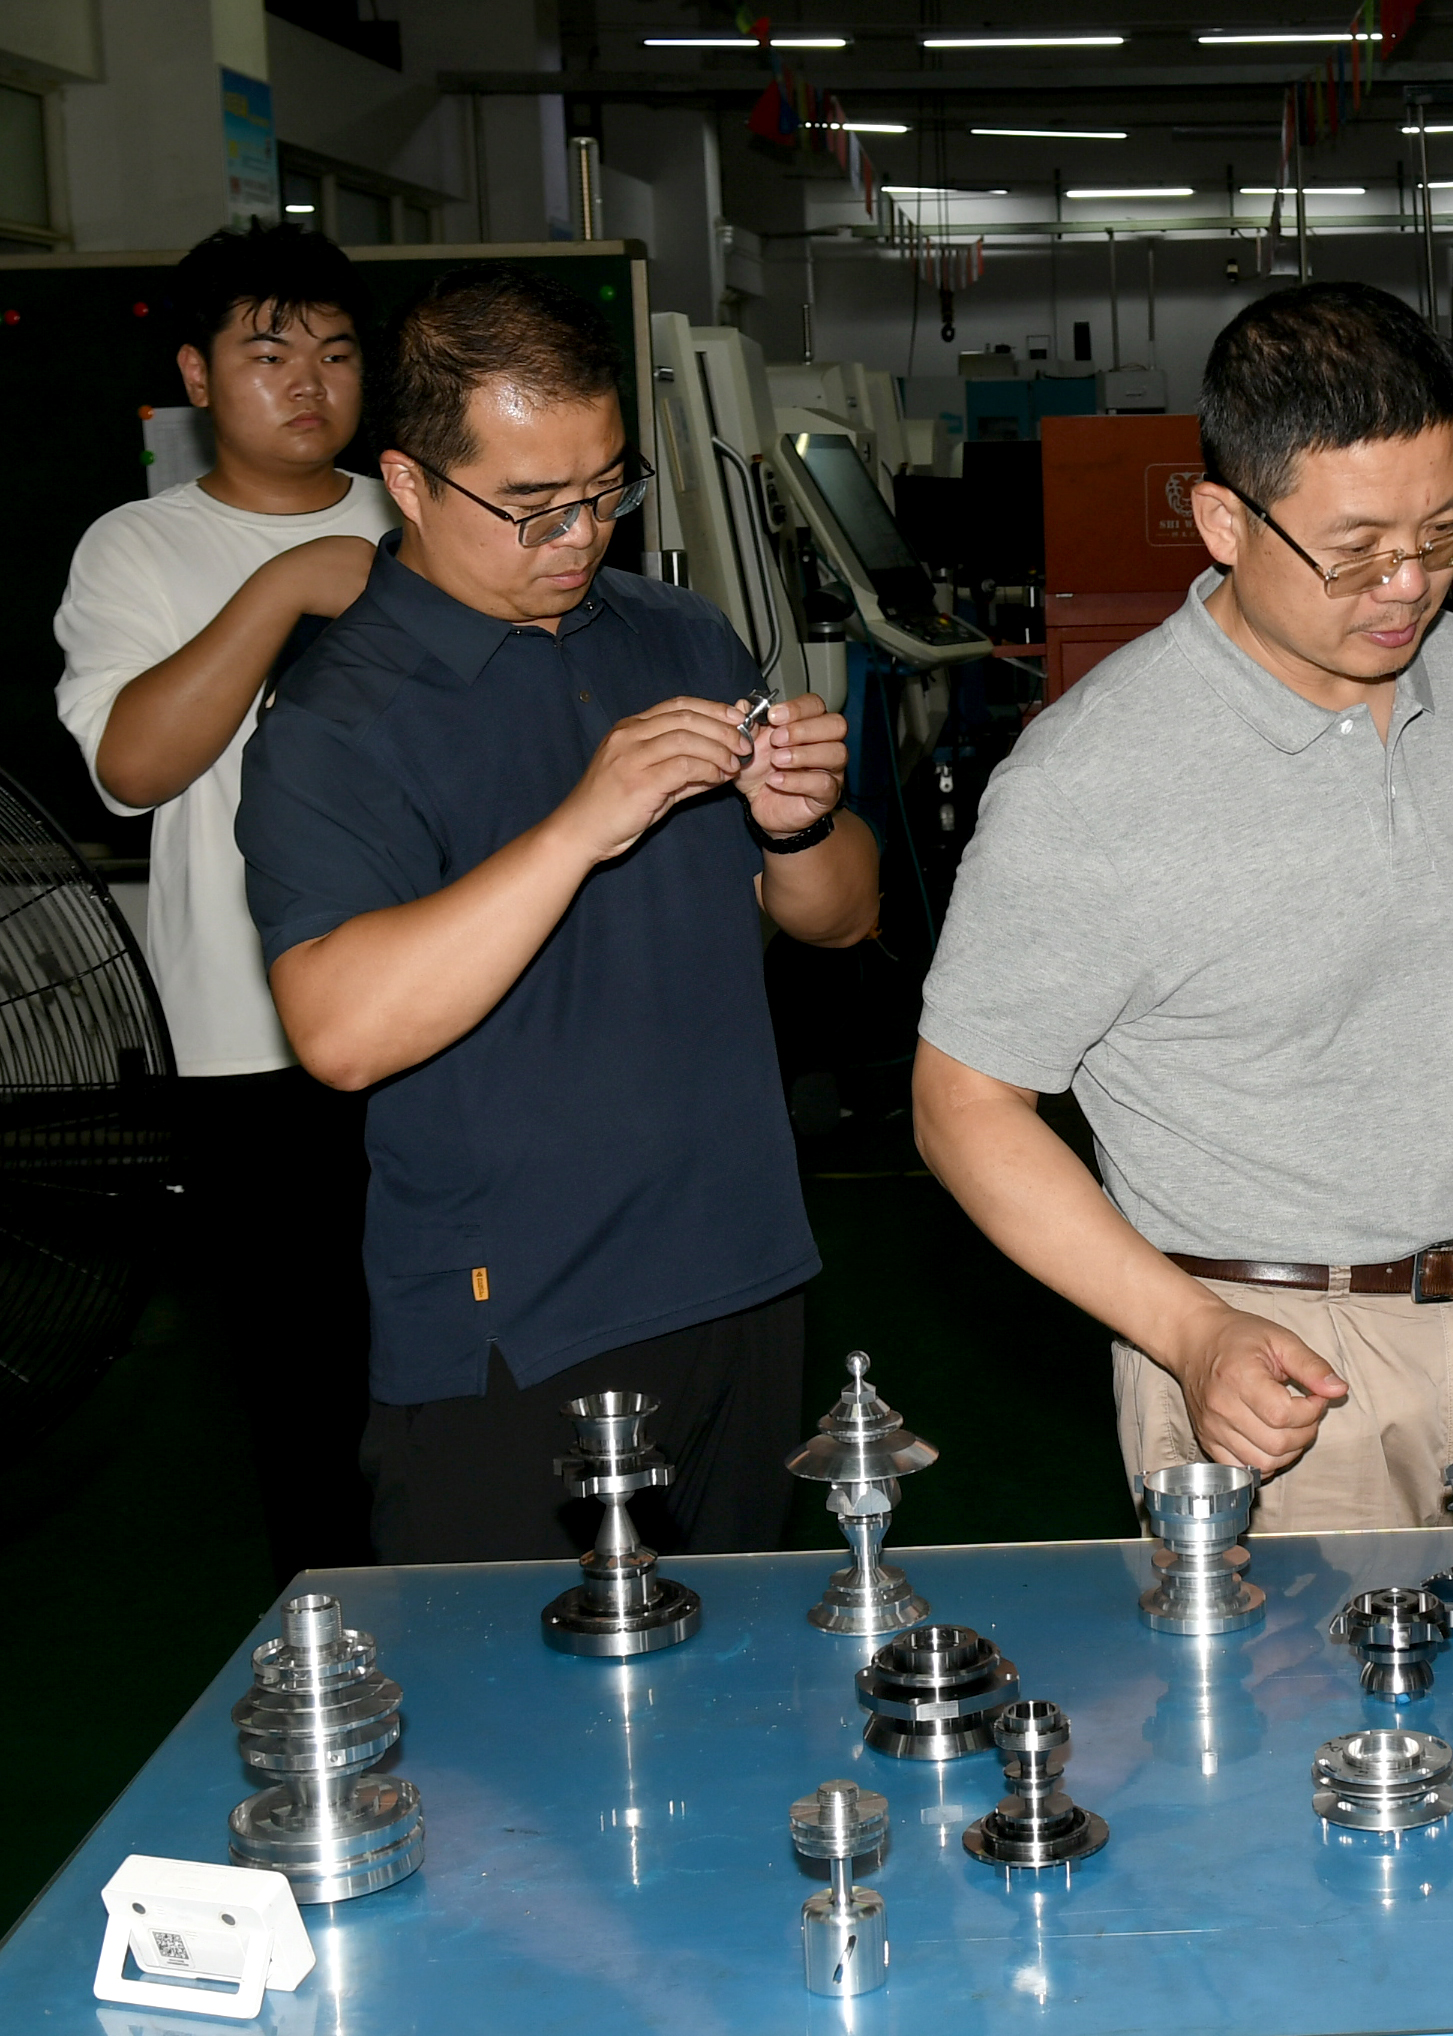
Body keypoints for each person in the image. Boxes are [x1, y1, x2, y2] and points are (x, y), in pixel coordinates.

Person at [913, 281, 1453, 1534]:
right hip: (1270, 1364)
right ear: (1223, 521)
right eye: (1356, 549)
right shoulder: (1093, 779)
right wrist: (1190, 1334)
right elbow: (963, 1105)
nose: (1408, 585)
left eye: (1444, 532)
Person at [235, 265, 879, 1563]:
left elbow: (840, 918)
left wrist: (798, 821)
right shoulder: (339, 721)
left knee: (738, 1669)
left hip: (739, 1272)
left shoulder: (680, 636)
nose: (580, 536)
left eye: (606, 490)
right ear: (410, 482)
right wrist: (582, 825)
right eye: (532, 506)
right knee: (508, 1687)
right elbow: (342, 1031)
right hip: (516, 1322)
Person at [52, 223, 395, 1580]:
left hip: (438, 1015)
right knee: (306, 1394)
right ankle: (341, 1646)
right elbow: (134, 768)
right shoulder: (135, 548)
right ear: (197, 375)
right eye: (269, 353)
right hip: (246, 1045)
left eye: (337, 353)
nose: (309, 383)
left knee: (457, 1365)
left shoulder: (426, 513)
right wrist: (286, 586)